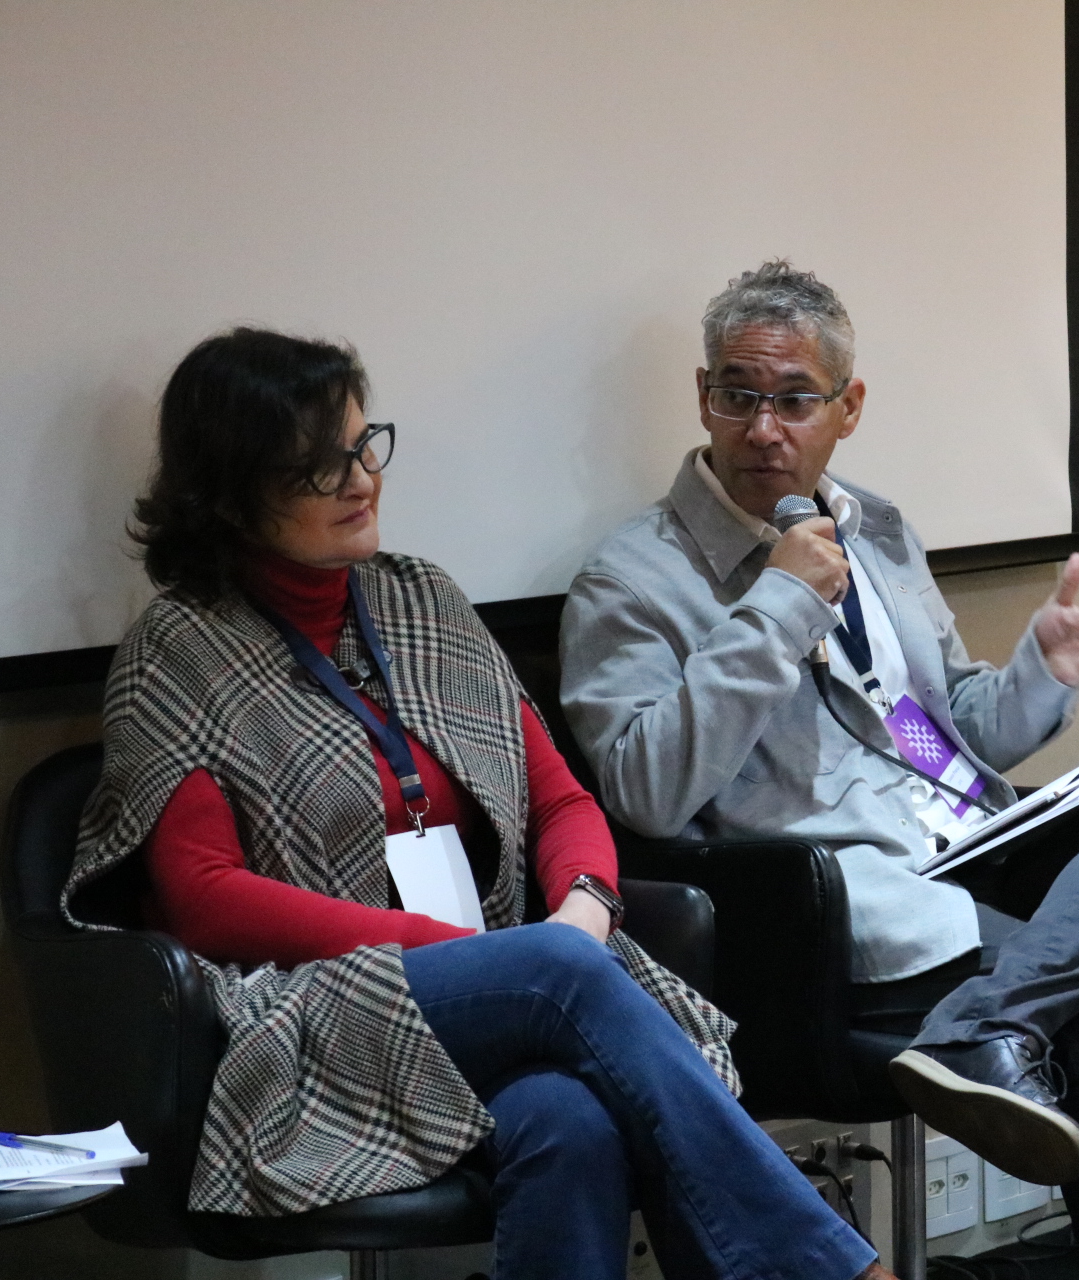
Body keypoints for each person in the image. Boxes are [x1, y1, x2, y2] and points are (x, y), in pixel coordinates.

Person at [67, 328, 894, 1280]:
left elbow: (560, 800)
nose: (360, 481)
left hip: (507, 986)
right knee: (554, 973)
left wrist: (584, 906)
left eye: (363, 446)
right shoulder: (178, 650)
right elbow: (204, 898)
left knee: (569, 1119)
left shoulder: (423, 602)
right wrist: (466, 953)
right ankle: (829, 1268)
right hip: (296, 1010)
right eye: (318, 466)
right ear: (232, 487)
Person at [560, 261, 1079, 1279]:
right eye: (739, 395)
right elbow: (648, 790)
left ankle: (994, 1018)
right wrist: (778, 605)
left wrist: (1036, 676)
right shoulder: (632, 578)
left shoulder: (873, 528)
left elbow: (927, 729)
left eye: (794, 400)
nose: (763, 428)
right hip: (839, 906)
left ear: (848, 407)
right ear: (703, 397)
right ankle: (1003, 1025)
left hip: (969, 843)